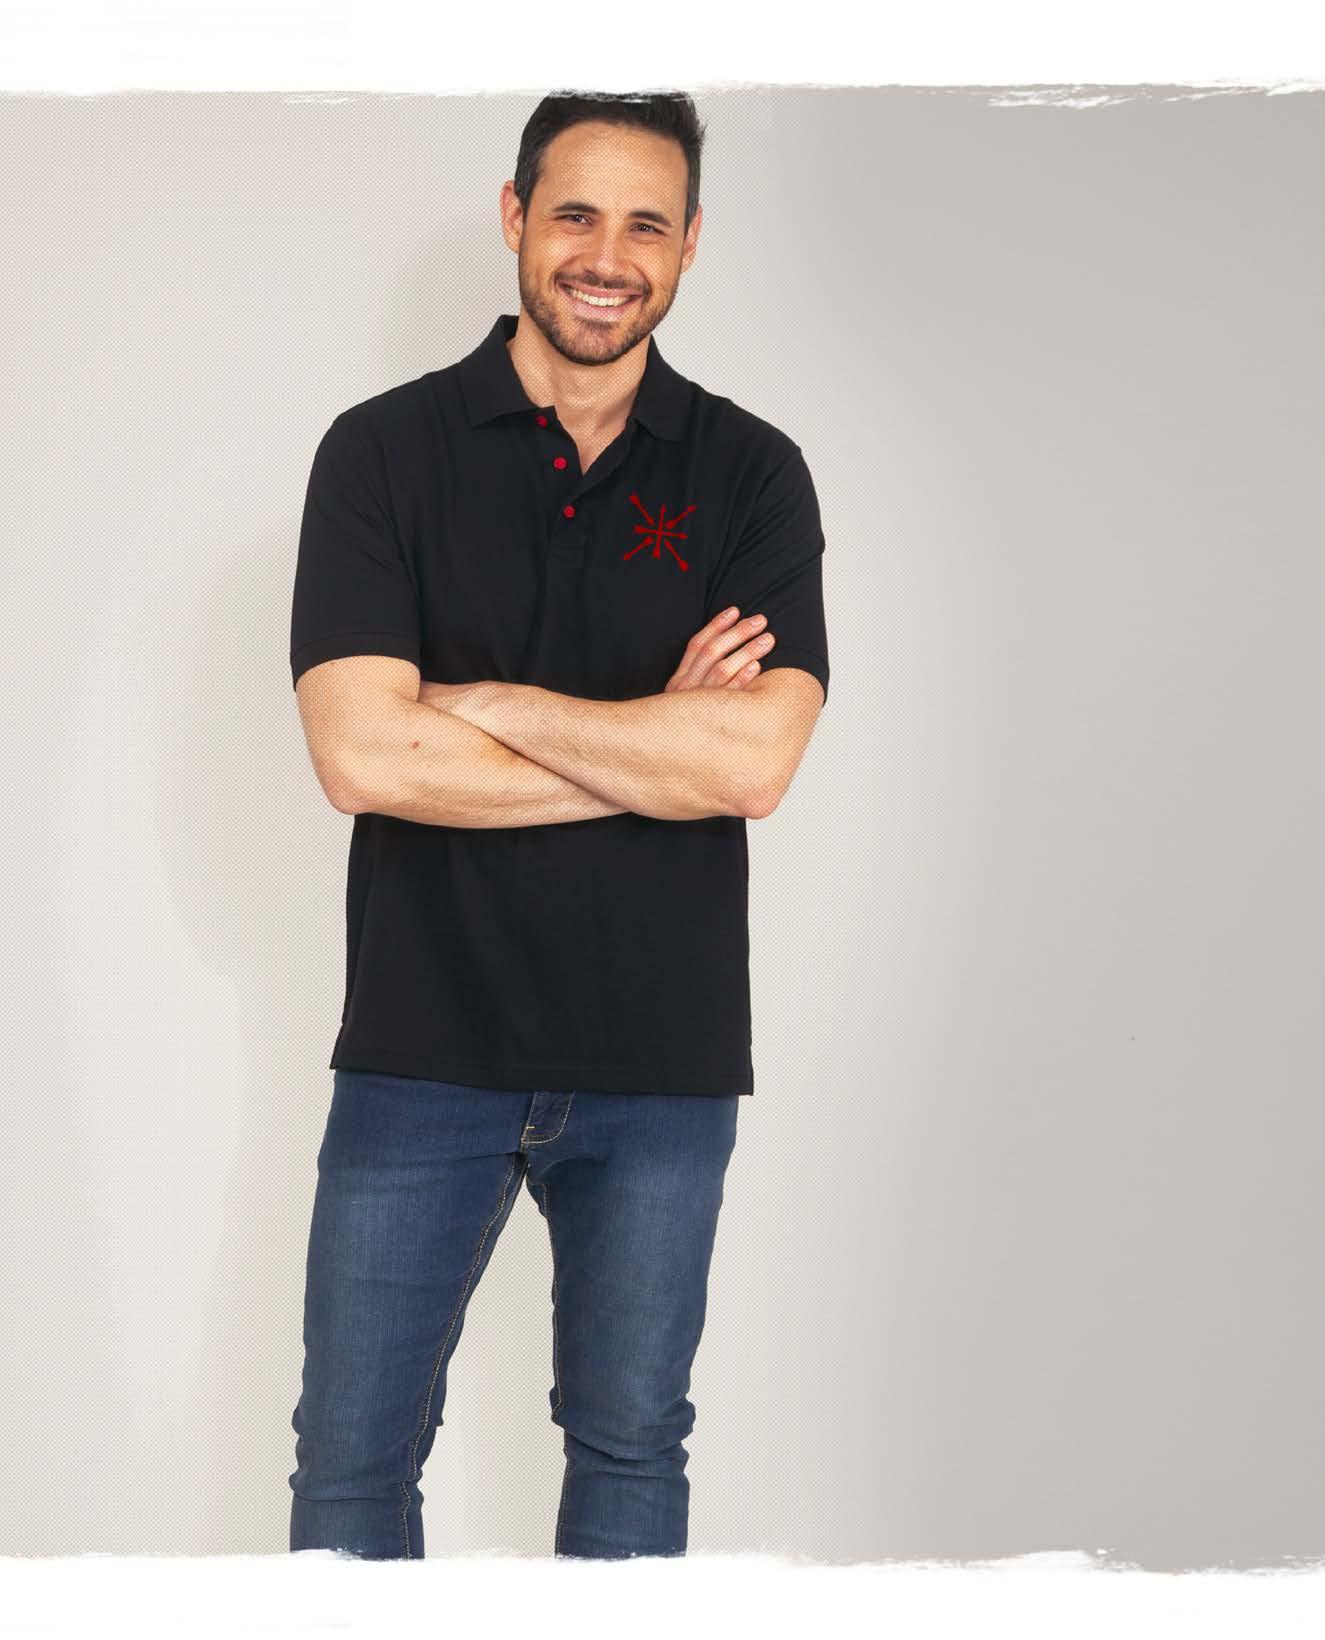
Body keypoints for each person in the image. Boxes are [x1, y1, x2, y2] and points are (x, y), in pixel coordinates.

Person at [285, 89, 831, 1560]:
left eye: (647, 223)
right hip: (422, 1043)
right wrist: (656, 739)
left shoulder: (751, 472)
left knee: (632, 1447)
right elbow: (361, 755)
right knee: (351, 1459)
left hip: (660, 1057)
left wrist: (485, 705)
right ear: (516, 216)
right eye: (576, 213)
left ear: (691, 244)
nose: (607, 255)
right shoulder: (382, 453)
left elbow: (756, 762)